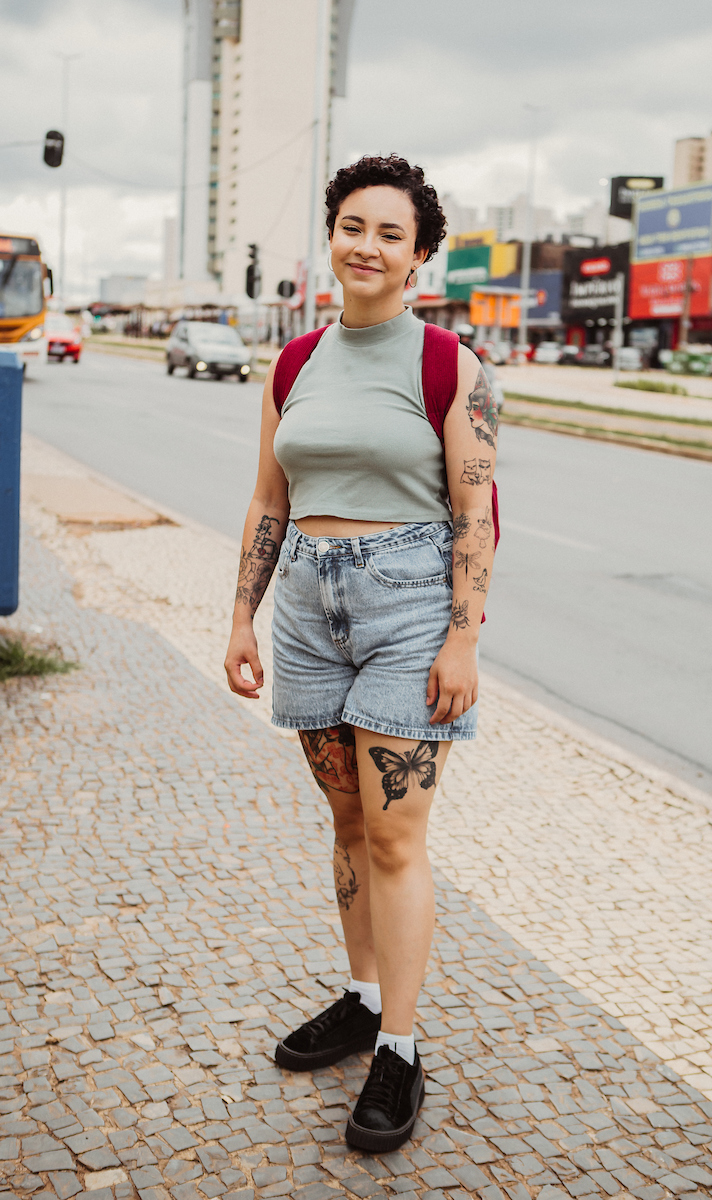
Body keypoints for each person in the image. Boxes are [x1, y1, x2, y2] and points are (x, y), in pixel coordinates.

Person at [224, 154, 498, 1152]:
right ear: (331, 238)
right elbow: (268, 500)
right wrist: (241, 616)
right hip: (305, 610)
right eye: (352, 225)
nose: (367, 245)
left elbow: (475, 514)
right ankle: (358, 993)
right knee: (344, 820)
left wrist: (462, 638)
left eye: (391, 232)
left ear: (418, 256)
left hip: (408, 613)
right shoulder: (293, 363)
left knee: (393, 838)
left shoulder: (447, 366)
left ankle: (400, 1048)